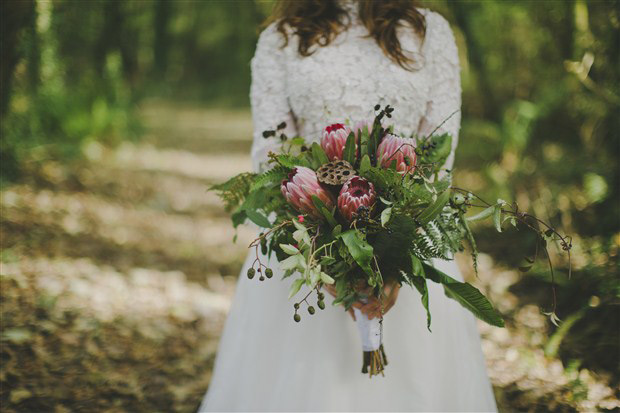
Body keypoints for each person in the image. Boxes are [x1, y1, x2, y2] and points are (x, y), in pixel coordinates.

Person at [200, 0, 497, 411]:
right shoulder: (281, 37)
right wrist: (324, 255)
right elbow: (270, 156)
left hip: (410, 241)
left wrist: (393, 258)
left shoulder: (430, 32)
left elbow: (437, 157)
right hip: (307, 246)